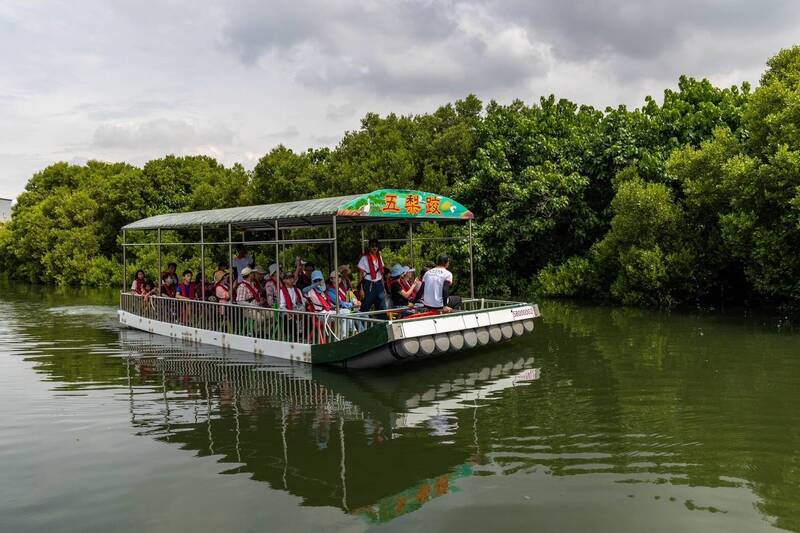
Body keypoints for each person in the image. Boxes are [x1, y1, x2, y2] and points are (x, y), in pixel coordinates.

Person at [358, 238, 386, 313]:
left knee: (382, 305)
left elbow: (381, 273)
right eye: (372, 246)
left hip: (379, 283)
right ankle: (362, 323)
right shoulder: (364, 258)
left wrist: (383, 287)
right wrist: (361, 289)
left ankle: (383, 322)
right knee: (366, 304)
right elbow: (360, 274)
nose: (374, 248)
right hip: (368, 284)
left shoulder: (379, 257)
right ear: (369, 247)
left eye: (376, 246)